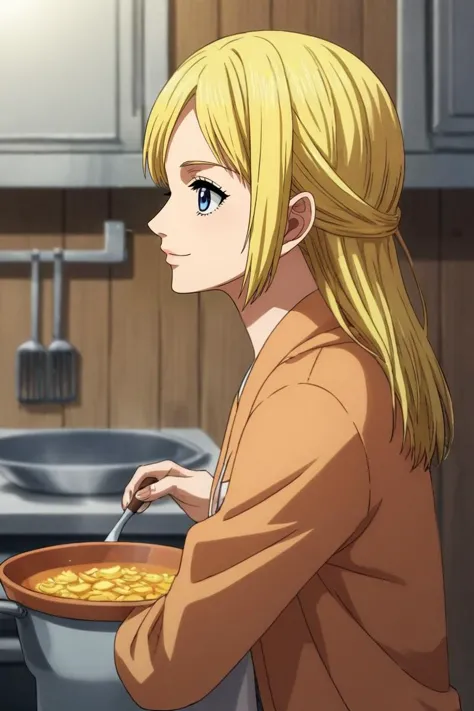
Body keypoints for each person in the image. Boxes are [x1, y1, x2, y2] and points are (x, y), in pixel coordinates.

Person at [114, 30, 461, 711]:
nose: (160, 220)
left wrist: (89, 631)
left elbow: (167, 666)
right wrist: (222, 499)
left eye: (203, 193)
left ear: (295, 218)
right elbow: (324, 524)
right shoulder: (324, 356)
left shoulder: (314, 397)